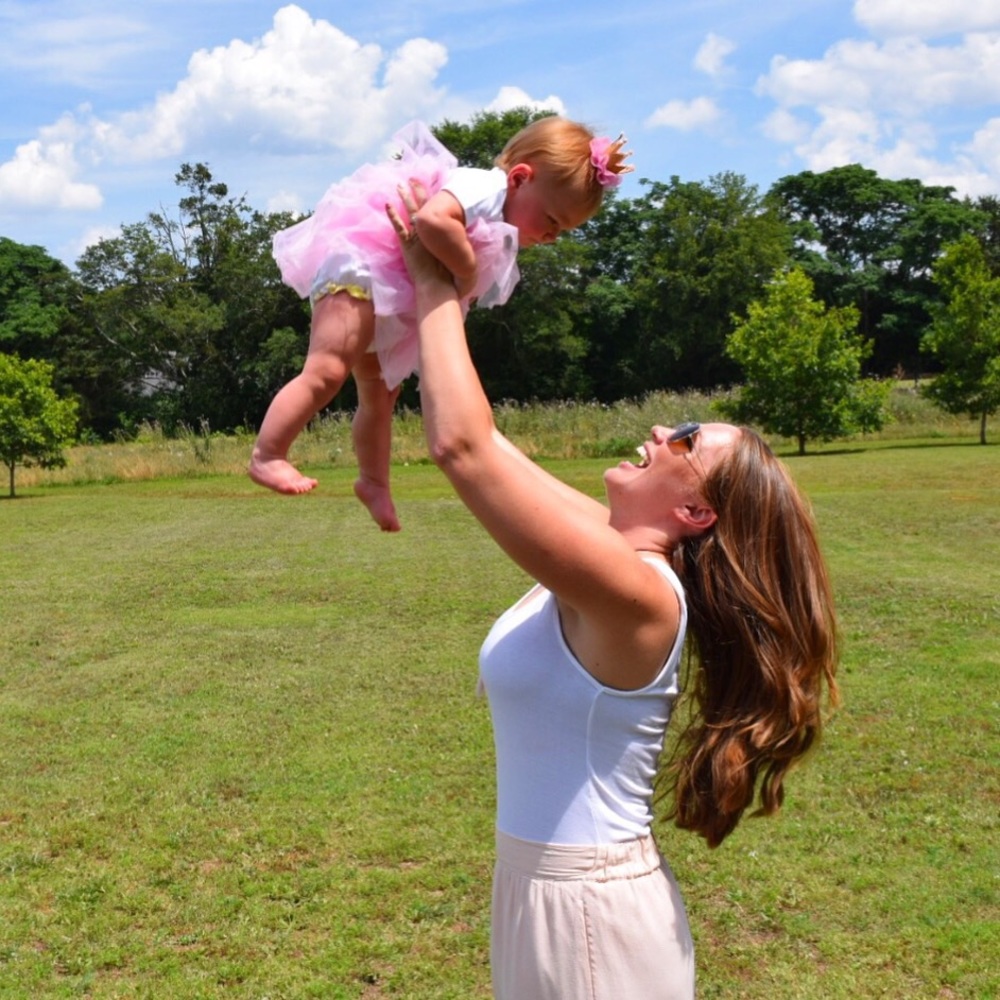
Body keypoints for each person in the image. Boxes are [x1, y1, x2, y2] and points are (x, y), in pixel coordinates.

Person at [385, 188, 840, 999]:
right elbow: (482, 439)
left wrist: (430, 279)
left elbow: (459, 449)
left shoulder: (640, 594)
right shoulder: (607, 550)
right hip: (543, 890)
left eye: (690, 438)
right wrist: (458, 275)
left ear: (696, 511)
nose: (665, 430)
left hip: (587, 910)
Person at [248, 117, 633, 531]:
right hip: (361, 266)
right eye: (553, 221)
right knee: (326, 371)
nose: (553, 236)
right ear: (521, 178)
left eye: (563, 231)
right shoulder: (485, 187)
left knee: (381, 395)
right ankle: (268, 454)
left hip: (391, 292)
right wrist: (466, 269)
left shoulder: (498, 210)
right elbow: (433, 219)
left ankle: (374, 481)